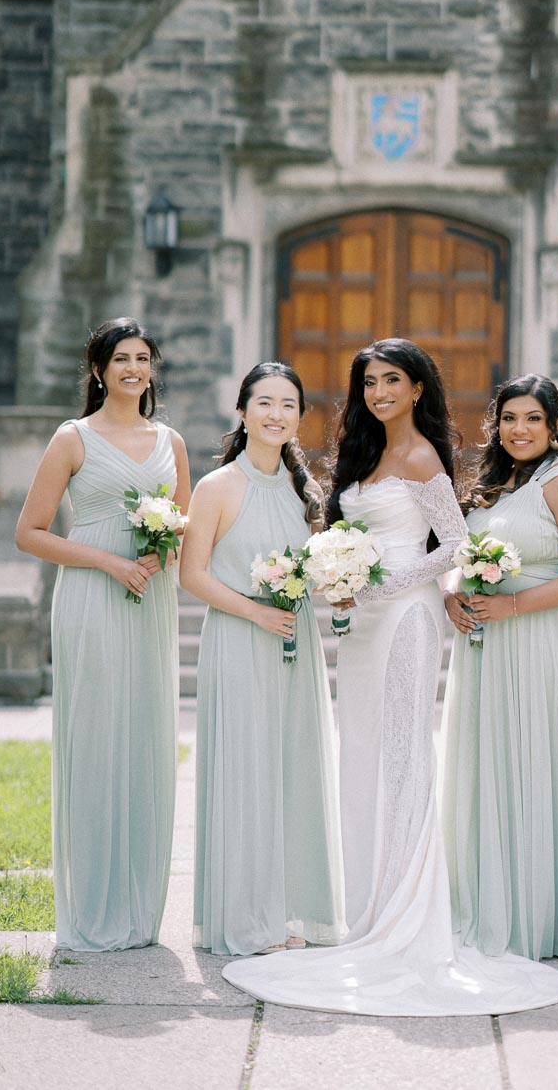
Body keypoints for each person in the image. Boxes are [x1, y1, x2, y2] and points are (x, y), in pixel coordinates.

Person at [225, 339, 558, 1015]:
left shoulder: (420, 455)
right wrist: (341, 578)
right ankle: (368, 908)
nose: (378, 391)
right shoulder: (361, 454)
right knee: (362, 755)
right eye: (369, 382)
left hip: (409, 620)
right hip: (361, 627)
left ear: (418, 389)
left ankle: (409, 916)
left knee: (402, 756)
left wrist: (385, 579)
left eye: (392, 380)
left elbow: (453, 545)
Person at [16, 318, 190, 951]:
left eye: (144, 358)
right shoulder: (73, 438)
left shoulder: (171, 440)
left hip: (152, 600)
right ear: (99, 369)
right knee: (95, 735)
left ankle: (139, 909)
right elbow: (29, 532)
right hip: (92, 594)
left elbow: (183, 525)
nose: (134, 369)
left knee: (144, 735)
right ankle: (91, 907)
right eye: (121, 358)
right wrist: (110, 560)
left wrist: (160, 551)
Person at [180, 361, 344, 956]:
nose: (277, 415)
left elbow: (313, 572)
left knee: (291, 771)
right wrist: (255, 614)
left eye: (289, 405)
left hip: (294, 647)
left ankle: (286, 910)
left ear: (300, 417)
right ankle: (246, 918)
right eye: (265, 403)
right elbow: (192, 574)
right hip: (240, 638)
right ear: (243, 411)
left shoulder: (307, 491)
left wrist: (339, 586)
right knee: (246, 772)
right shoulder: (218, 487)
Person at [441, 374, 558, 963]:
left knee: (536, 760)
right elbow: (459, 557)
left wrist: (512, 604)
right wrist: (452, 592)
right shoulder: (490, 483)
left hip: (541, 641)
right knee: (490, 763)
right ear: (495, 425)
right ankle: (490, 902)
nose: (520, 429)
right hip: (487, 646)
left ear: (556, 426)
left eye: (533, 418)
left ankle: (540, 916)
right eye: (509, 418)